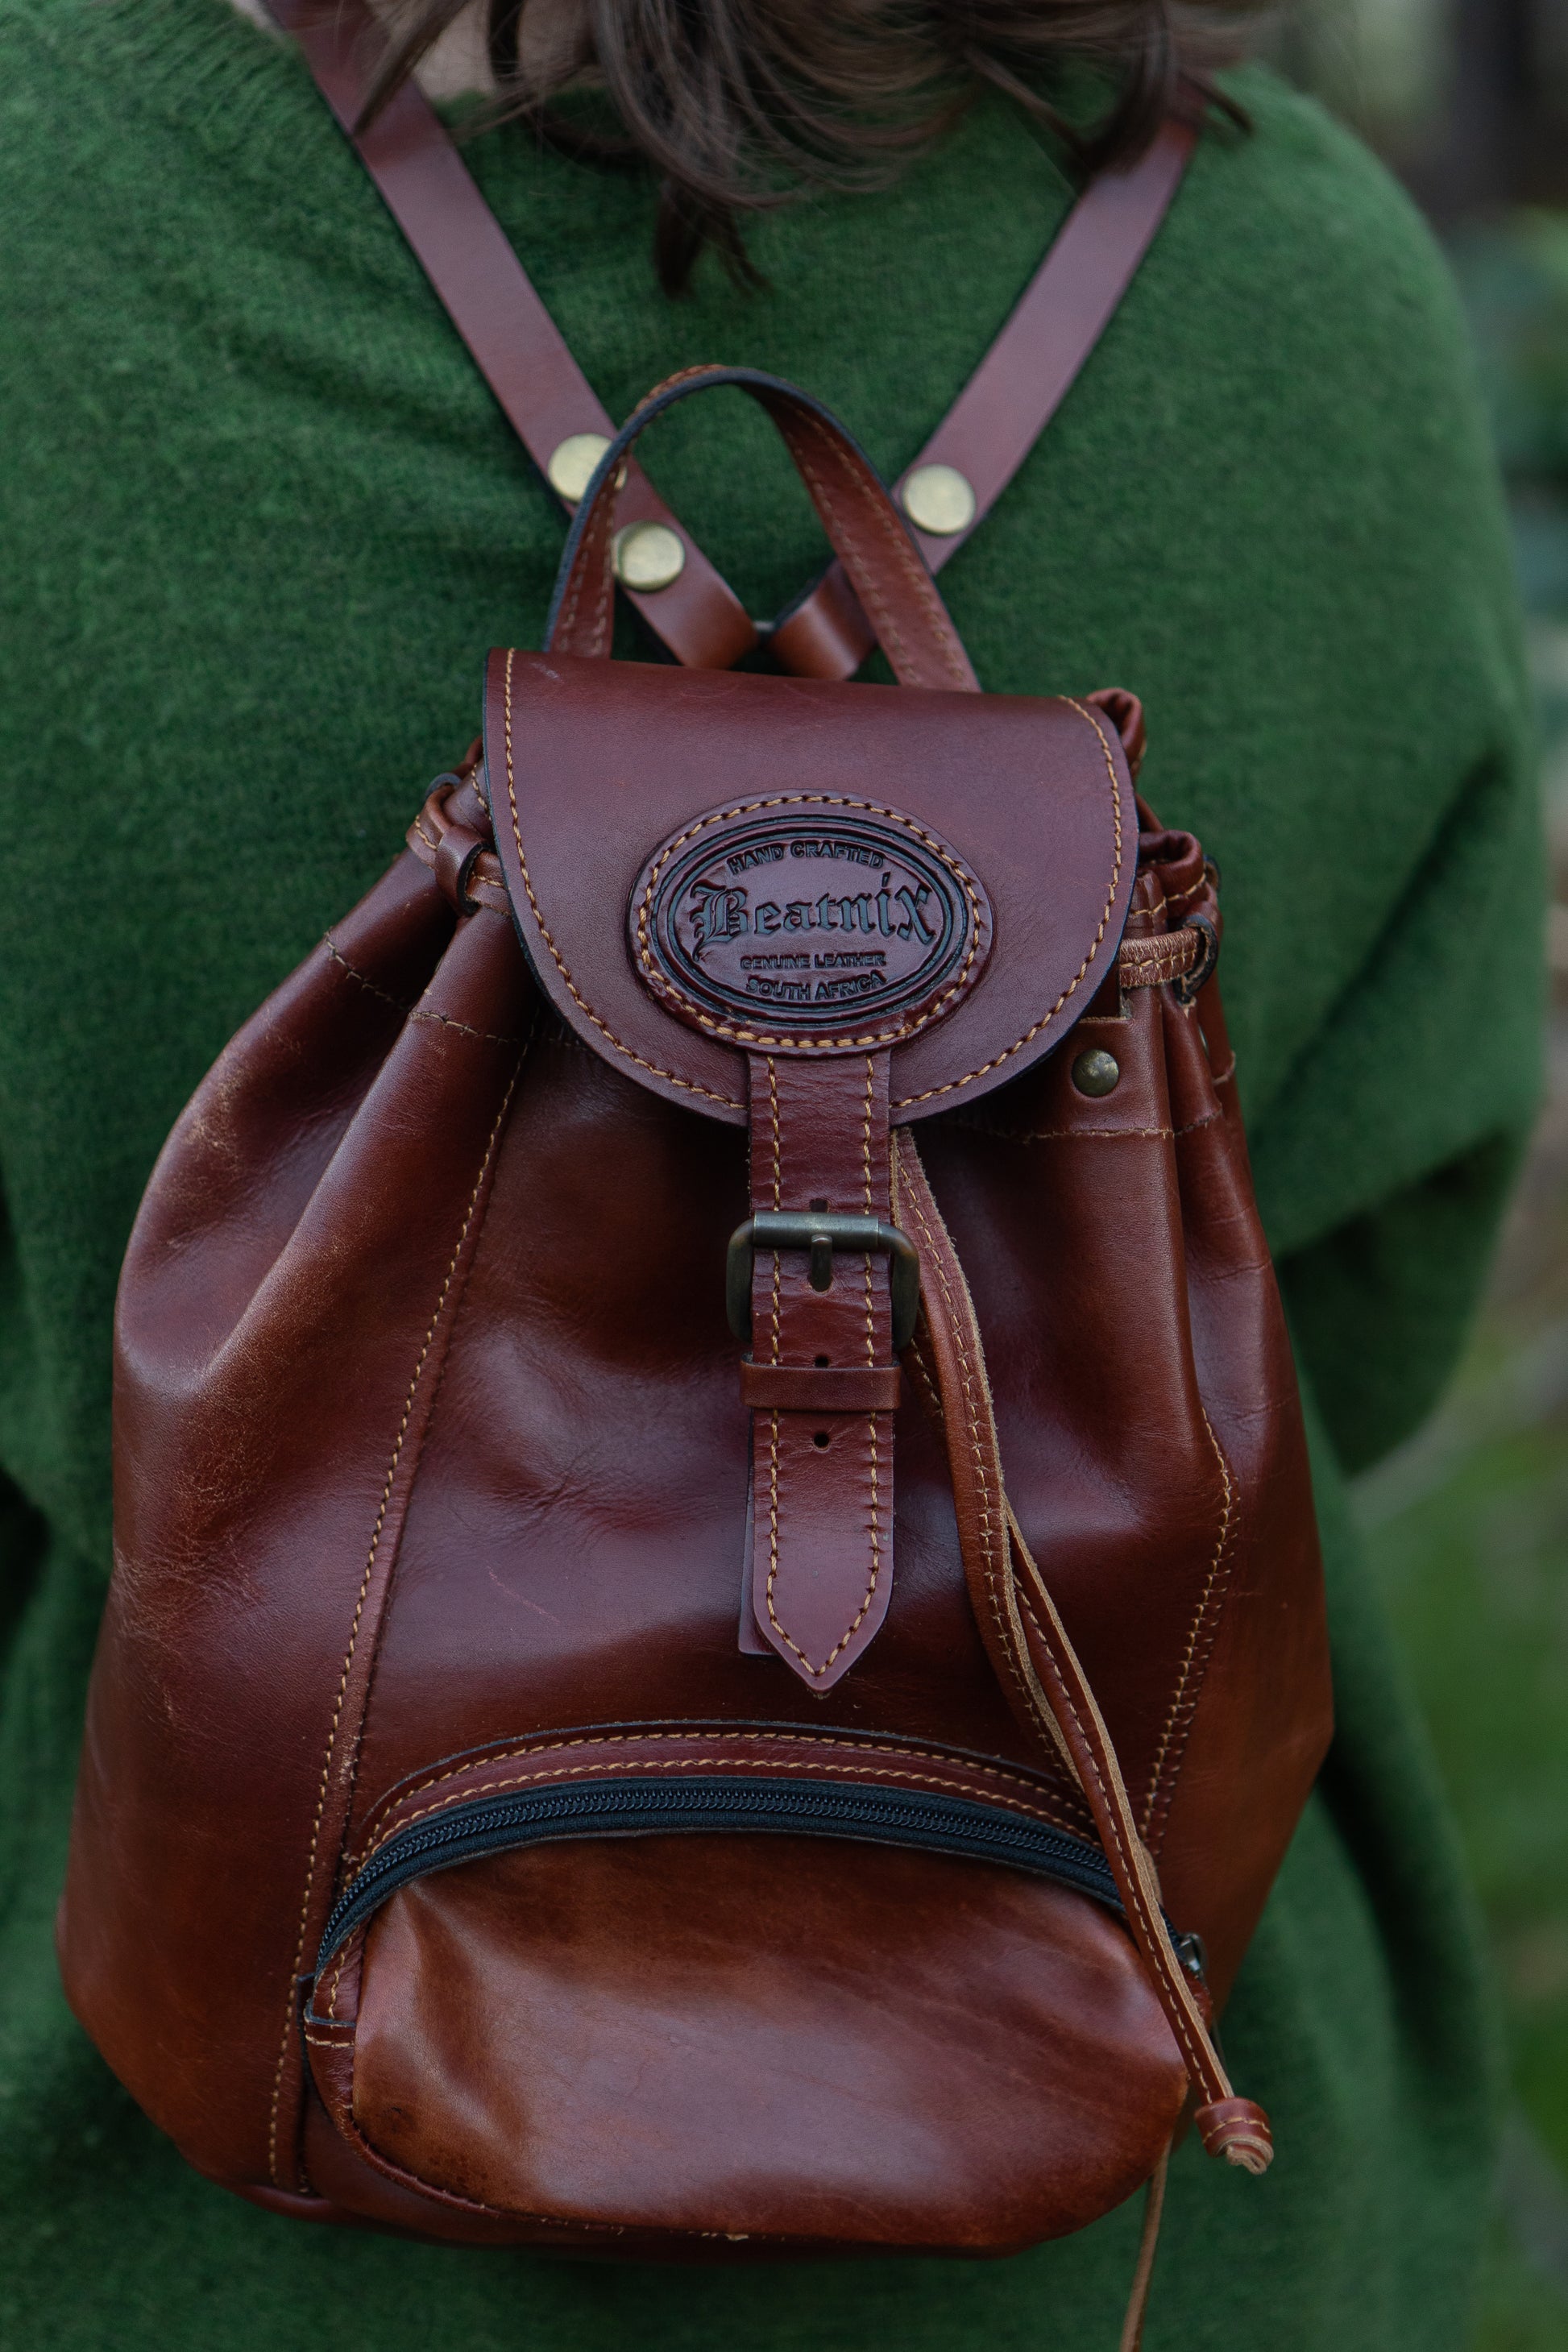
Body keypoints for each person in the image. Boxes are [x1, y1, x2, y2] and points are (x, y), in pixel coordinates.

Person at [0, 0, 1543, 2342]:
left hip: (194, 2206)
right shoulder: (1305, 277)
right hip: (1159, 2224)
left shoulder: (50, 198)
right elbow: (1363, 1319)